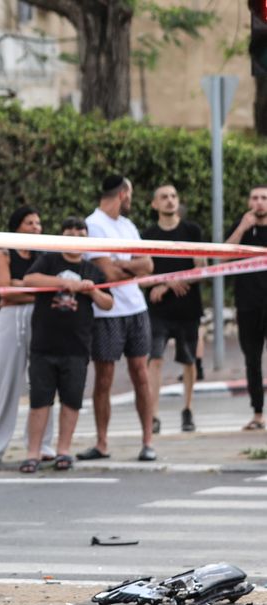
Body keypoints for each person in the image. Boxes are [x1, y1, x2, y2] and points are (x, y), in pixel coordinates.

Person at [20, 217, 115, 473]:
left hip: (77, 347)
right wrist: (64, 283)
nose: (75, 239)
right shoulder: (49, 260)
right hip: (43, 345)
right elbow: (30, 280)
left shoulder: (92, 270)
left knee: (71, 400)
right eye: (70, 233)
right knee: (40, 400)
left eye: (81, 234)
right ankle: (33, 453)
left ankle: (63, 451)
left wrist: (91, 291)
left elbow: (108, 302)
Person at [80, 175, 157, 461]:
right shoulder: (93, 224)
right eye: (131, 194)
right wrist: (129, 267)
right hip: (107, 311)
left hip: (136, 308)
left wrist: (121, 263)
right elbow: (107, 274)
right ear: (123, 194)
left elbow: (148, 264)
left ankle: (148, 441)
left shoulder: (127, 226)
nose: (131, 200)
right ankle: (102, 443)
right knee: (104, 378)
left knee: (141, 374)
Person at [0, 206, 57, 464]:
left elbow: (49, 288)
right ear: (17, 225)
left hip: (40, 318)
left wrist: (25, 286)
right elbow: (5, 291)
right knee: (8, 382)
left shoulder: (43, 255)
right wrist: (35, 287)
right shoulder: (4, 252)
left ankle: (42, 443)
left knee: (42, 381)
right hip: (11, 319)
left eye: (38, 223)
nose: (36, 227)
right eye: (30, 222)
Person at [142, 184, 205, 434]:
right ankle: (153, 414)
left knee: (189, 360)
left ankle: (188, 410)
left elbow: (202, 269)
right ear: (154, 205)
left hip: (188, 307)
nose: (170, 201)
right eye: (164, 197)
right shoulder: (146, 235)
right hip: (158, 309)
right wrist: (165, 283)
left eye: (173, 196)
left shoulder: (192, 230)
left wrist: (173, 282)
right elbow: (142, 272)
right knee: (155, 359)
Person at [225, 184, 267, 431]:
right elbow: (223, 256)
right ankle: (258, 413)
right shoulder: (241, 226)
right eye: (255, 198)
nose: (259, 202)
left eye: (264, 198)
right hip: (248, 304)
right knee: (252, 360)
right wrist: (242, 227)